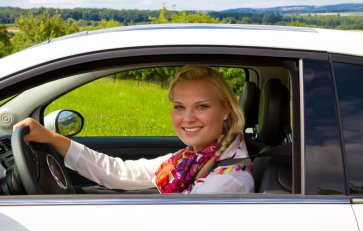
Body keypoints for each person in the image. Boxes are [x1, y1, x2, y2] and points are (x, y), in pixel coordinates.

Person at [13, 65, 254, 194]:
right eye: (179, 106)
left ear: (225, 109)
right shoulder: (194, 157)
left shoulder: (227, 181)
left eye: (201, 106)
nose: (187, 118)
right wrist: (53, 138)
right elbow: (123, 172)